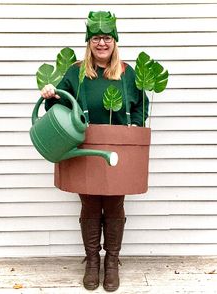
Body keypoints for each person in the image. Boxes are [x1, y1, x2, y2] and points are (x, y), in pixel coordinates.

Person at [41, 11, 149, 292]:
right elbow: (58, 107)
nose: (102, 43)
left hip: (119, 150)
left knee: (114, 206)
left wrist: (132, 128)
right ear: (89, 42)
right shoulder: (76, 72)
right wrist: (51, 94)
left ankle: (111, 262)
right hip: (85, 148)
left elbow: (141, 105)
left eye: (107, 38)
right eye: (97, 38)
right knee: (90, 205)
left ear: (115, 41)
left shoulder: (127, 73)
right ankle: (92, 261)